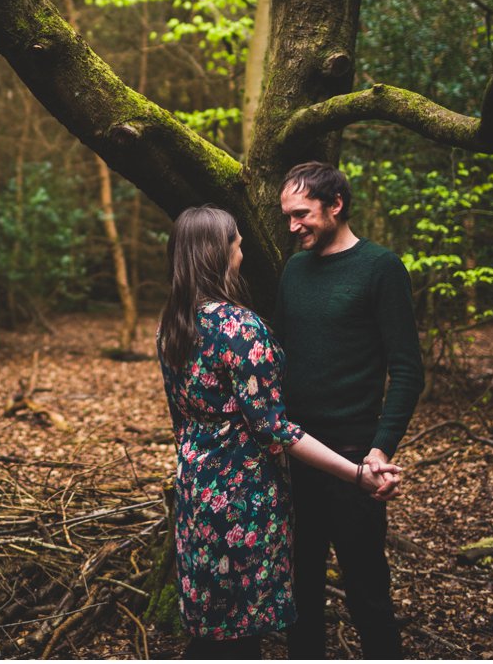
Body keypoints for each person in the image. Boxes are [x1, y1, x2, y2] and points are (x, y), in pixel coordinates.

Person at [157, 205, 398, 660]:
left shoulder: (172, 326)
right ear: (218, 252)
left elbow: (181, 421)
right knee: (239, 635)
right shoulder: (238, 327)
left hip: (194, 492)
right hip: (242, 499)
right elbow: (274, 428)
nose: (243, 249)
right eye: (237, 241)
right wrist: (355, 474)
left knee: (215, 629)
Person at [275, 161, 425, 659]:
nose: (293, 226)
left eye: (302, 214)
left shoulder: (381, 268)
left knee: (367, 591)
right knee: (299, 594)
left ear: (335, 205)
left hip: (355, 460)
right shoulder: (294, 269)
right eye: (288, 216)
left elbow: (407, 370)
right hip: (294, 458)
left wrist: (380, 451)